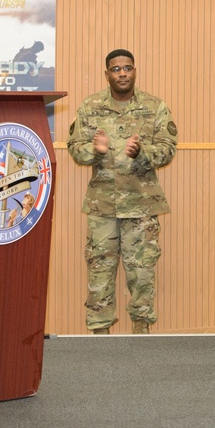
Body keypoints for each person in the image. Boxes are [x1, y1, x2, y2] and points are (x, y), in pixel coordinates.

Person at [67, 49, 177, 335]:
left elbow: (168, 150)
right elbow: (75, 148)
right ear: (107, 74)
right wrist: (95, 150)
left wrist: (142, 152)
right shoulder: (89, 107)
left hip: (142, 208)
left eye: (128, 68)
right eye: (116, 69)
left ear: (135, 71)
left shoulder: (155, 107)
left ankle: (141, 336)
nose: (123, 73)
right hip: (102, 209)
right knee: (100, 275)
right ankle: (100, 340)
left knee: (141, 276)